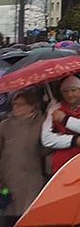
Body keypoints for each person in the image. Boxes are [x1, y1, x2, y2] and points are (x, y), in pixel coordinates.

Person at [0, 90, 47, 226]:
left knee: (31, 214)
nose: (16, 108)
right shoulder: (5, 126)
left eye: (20, 105)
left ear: (32, 106)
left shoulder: (42, 123)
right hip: (8, 178)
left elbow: (46, 148)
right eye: (14, 104)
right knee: (10, 215)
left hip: (33, 177)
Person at [41, 75, 80, 174]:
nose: (70, 95)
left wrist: (65, 120)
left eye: (73, 90)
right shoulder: (54, 109)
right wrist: (74, 140)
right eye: (65, 91)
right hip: (63, 164)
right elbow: (46, 139)